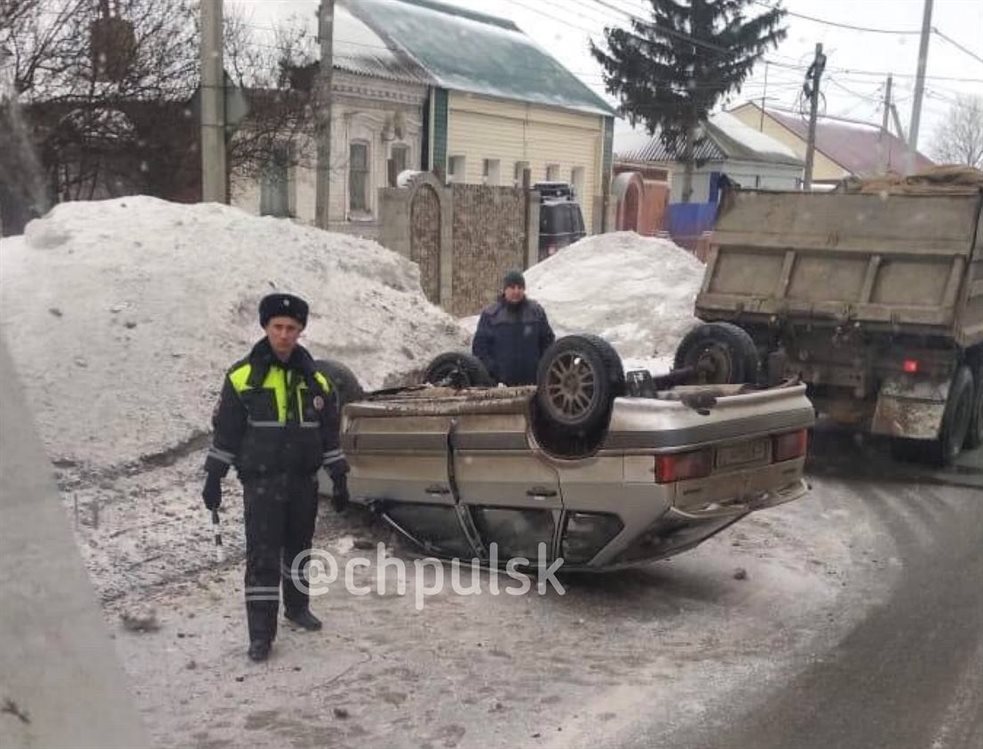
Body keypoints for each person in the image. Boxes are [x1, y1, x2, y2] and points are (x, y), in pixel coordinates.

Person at [201, 292, 349, 662]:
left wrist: (340, 476)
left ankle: (297, 608)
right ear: (265, 327)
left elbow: (328, 434)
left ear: (301, 331)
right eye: (277, 327)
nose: (284, 335)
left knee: (299, 550)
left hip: (302, 482)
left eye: (292, 328)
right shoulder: (242, 378)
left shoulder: (316, 381)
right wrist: (214, 476)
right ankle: (261, 634)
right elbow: (227, 433)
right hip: (261, 484)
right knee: (263, 558)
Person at [472, 270, 555, 386]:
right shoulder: (491, 315)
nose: (516, 291)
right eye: (512, 287)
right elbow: (480, 349)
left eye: (520, 287)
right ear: (505, 289)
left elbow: (548, 343)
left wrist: (541, 367)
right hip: (500, 386)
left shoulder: (536, 313)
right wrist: (493, 371)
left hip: (533, 384)